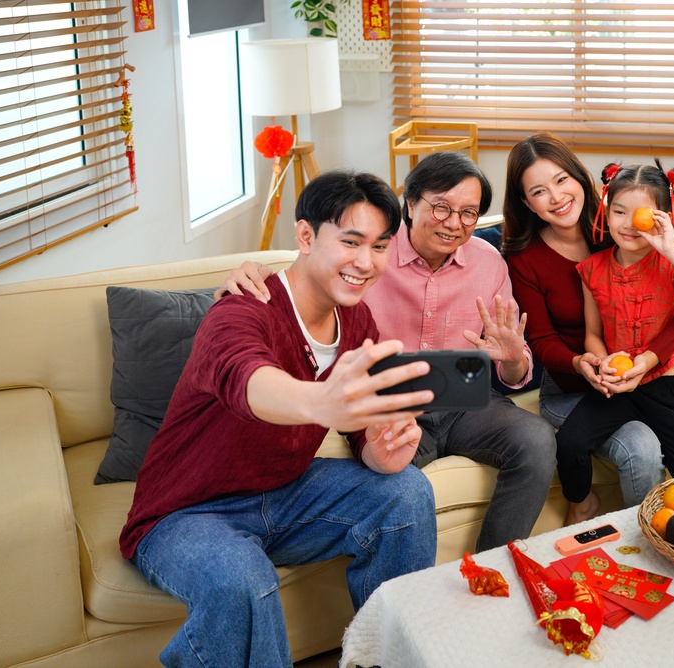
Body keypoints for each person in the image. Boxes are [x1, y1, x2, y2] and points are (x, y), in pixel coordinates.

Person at [120, 171, 438, 667]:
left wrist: (382, 450)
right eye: (351, 242)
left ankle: (385, 658)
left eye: (379, 247)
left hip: (286, 493)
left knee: (408, 491)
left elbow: (360, 433)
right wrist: (318, 401)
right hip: (185, 513)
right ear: (306, 236)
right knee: (242, 578)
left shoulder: (356, 319)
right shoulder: (241, 310)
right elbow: (247, 378)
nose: (365, 262)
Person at [216, 151, 557, 553]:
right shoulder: (370, 255)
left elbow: (513, 374)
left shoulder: (489, 263)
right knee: (392, 485)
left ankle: (491, 567)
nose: (454, 223)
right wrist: (251, 274)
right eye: (442, 207)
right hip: (391, 405)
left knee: (536, 439)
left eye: (468, 213)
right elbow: (307, 277)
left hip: (466, 401)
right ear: (410, 203)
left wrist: (515, 359)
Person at [503, 132, 674, 524]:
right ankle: (614, 521)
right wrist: (590, 361)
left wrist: (649, 357)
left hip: (659, 377)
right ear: (526, 202)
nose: (556, 197)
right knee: (625, 447)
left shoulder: (631, 233)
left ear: (580, 178)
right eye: (539, 191)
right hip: (596, 380)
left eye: (561, 180)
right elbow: (543, 339)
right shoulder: (550, 259)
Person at [554, 161, 674, 517]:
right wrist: (604, 361)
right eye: (619, 211)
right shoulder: (592, 269)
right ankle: (581, 505)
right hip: (619, 388)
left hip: (670, 392)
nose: (627, 223)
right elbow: (592, 333)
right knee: (569, 442)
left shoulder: (671, 265)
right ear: (606, 208)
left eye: (641, 215)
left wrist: (671, 249)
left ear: (662, 217)